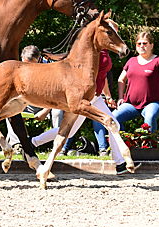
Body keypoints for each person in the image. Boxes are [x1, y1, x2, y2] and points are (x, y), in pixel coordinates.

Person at [30, 21, 138, 174]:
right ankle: (32, 142)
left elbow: (103, 77)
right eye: (113, 32)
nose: (115, 35)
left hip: (96, 96)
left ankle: (120, 164)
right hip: (87, 97)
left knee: (109, 125)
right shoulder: (95, 53)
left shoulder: (104, 51)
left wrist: (107, 96)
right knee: (74, 130)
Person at [113, 31, 159, 133]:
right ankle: (123, 144)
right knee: (113, 118)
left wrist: (156, 85)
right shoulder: (131, 61)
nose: (142, 46)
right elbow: (121, 79)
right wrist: (120, 97)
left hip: (151, 104)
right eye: (139, 43)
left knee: (150, 118)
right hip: (130, 104)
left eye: (145, 43)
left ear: (151, 45)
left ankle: (149, 146)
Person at [6, 45, 64, 150]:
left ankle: (59, 146)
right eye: (24, 63)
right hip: (27, 102)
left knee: (58, 112)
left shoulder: (50, 69)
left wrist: (45, 111)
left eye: (30, 64)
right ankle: (17, 145)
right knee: (9, 109)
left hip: (47, 103)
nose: (27, 67)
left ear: (38, 60)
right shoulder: (19, 68)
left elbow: (57, 96)